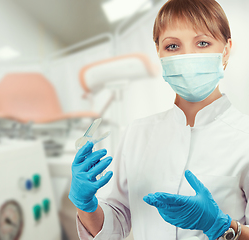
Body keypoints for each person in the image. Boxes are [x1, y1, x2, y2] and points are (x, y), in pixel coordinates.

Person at [68, 0, 249, 239]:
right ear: (159, 53)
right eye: (173, 46)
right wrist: (86, 205)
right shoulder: (137, 133)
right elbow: (116, 224)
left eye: (202, 43)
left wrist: (222, 227)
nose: (187, 57)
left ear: (225, 50)